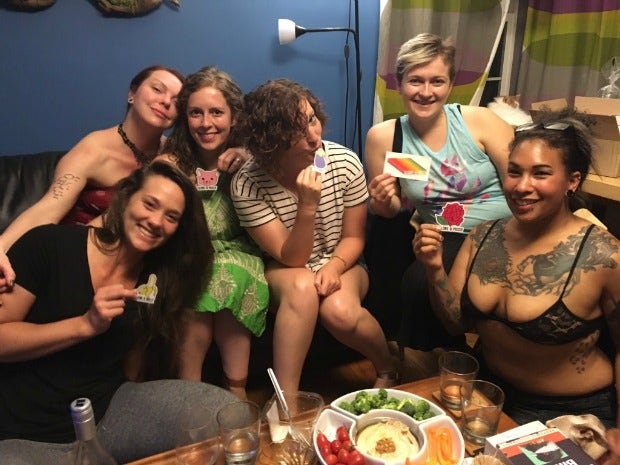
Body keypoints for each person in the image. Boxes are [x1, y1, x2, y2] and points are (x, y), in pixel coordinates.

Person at [0, 161, 237, 465]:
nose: (156, 221)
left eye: (171, 217)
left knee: (230, 416)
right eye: (149, 204)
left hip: (108, 415)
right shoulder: (48, 244)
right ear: (126, 198)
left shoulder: (157, 282)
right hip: (22, 433)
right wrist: (85, 325)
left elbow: (134, 367)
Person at [413, 109, 620, 427]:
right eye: (514, 172)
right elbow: (454, 323)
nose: (522, 186)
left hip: (567, 413)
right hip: (486, 395)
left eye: (540, 173)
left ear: (572, 181)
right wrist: (434, 268)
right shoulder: (482, 236)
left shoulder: (605, 255)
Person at [231, 79, 398, 393]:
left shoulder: (344, 162)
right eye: (296, 131)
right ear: (270, 140)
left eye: (312, 119)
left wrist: (333, 268)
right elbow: (292, 258)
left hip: (344, 259)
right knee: (302, 286)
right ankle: (288, 401)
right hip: (286, 267)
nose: (313, 136)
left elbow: (354, 238)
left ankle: (388, 368)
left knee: (340, 311)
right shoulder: (248, 183)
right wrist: (307, 205)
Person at [364, 33, 514, 351]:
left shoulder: (480, 121)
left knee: (426, 283)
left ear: (450, 84)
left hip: (502, 228)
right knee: (414, 278)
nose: (426, 92)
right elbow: (393, 209)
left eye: (437, 81)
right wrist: (382, 201)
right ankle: (431, 357)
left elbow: (519, 183)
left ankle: (457, 358)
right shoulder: (385, 137)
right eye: (415, 81)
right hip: (445, 232)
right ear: (399, 84)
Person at [0, 65, 185, 293]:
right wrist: (2, 247)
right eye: (157, 89)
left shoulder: (174, 157)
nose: (166, 101)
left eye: (176, 101)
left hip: (133, 270)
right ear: (132, 93)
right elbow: (49, 208)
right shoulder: (95, 150)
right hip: (73, 259)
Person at [163, 66, 269, 399]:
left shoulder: (252, 158)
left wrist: (249, 157)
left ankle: (236, 390)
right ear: (185, 118)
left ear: (234, 116)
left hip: (240, 254)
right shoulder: (171, 162)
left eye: (216, 112)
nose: (206, 123)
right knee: (199, 279)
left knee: (228, 274)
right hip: (189, 255)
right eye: (196, 113)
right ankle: (190, 394)